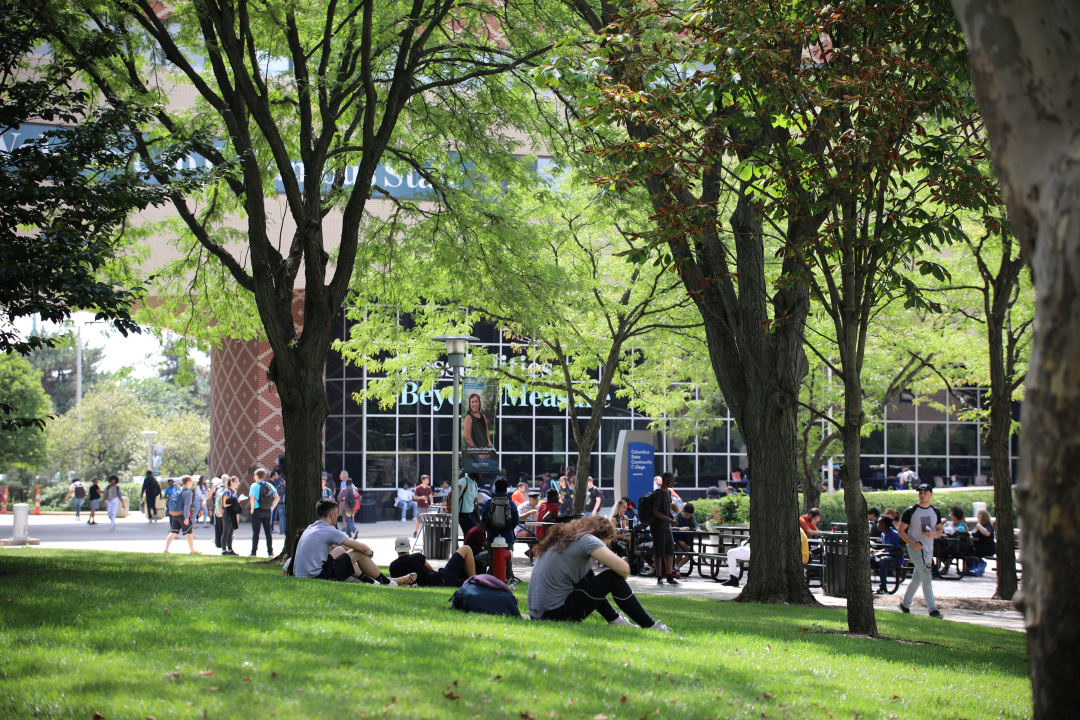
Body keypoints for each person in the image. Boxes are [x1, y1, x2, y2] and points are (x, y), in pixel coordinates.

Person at [526, 516, 671, 631]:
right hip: (554, 614)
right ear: (602, 535)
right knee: (612, 577)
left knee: (589, 576)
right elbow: (624, 569)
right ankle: (650, 625)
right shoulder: (588, 540)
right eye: (607, 544)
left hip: (540, 615)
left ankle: (616, 621)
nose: (607, 547)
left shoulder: (569, 538)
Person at [287, 500, 414, 585]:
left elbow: (338, 547)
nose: (338, 516)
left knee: (341, 550)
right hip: (316, 578)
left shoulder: (311, 527)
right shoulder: (329, 530)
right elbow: (362, 548)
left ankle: (371, 582)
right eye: (337, 513)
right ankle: (387, 583)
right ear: (331, 514)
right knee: (358, 553)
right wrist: (369, 553)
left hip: (302, 576)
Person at [897, 483, 944, 618]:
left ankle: (905, 604)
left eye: (925, 492)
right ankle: (932, 609)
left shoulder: (935, 511)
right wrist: (913, 544)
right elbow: (901, 531)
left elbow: (940, 530)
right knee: (926, 577)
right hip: (916, 549)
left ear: (931, 494)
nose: (922, 495)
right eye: (920, 493)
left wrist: (933, 534)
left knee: (918, 577)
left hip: (929, 549)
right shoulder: (910, 511)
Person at [390, 535, 477, 587]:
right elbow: (431, 570)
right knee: (466, 548)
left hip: (441, 582)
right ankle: (474, 581)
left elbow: (398, 582)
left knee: (463, 582)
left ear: (395, 549)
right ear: (409, 547)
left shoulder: (393, 566)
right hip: (442, 578)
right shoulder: (417, 556)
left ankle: (473, 583)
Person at [480, 478, 520, 580]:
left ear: (495, 489)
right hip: (507, 535)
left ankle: (492, 577)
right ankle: (508, 576)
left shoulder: (489, 503)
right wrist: (509, 529)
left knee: (492, 557)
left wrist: (491, 528)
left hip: (492, 535)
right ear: (506, 490)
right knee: (508, 557)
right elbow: (516, 520)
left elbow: (484, 519)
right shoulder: (511, 504)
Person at [649, 472, 679, 586]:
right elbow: (655, 511)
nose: (673, 483)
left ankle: (670, 576)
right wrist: (670, 520)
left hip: (667, 528)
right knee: (659, 552)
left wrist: (673, 518)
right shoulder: (658, 494)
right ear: (666, 479)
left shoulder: (668, 494)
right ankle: (659, 576)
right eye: (672, 480)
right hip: (658, 528)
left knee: (670, 551)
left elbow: (668, 511)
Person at [164, 475, 202, 554]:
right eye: (191, 482)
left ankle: (166, 549)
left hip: (175, 514)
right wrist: (186, 517)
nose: (192, 483)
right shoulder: (188, 492)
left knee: (173, 532)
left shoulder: (178, 490)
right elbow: (187, 505)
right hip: (182, 515)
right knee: (189, 532)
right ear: (188, 482)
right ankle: (192, 550)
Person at [249, 467, 279, 557]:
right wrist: (272, 508)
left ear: (257, 476)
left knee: (256, 532)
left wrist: (252, 509)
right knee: (268, 532)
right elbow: (277, 497)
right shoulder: (269, 485)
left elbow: (252, 498)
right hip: (267, 511)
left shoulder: (254, 486)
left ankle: (254, 552)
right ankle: (270, 552)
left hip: (257, 510)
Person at [870, 515, 904, 594]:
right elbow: (887, 548)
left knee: (883, 560)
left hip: (896, 559)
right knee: (870, 559)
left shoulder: (895, 535)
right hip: (887, 556)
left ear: (883, 525)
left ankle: (883, 587)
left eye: (878, 523)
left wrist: (883, 554)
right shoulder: (883, 534)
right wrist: (877, 551)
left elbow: (900, 552)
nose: (877, 525)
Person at [463, 393, 492, 461]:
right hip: (474, 454)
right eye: (472, 402)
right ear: (470, 404)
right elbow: (467, 438)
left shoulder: (483, 417)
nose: (474, 404)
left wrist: (488, 449)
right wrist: (478, 453)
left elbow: (487, 434)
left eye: (476, 401)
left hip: (485, 453)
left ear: (479, 402)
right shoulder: (468, 417)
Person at [673, 502, 698, 573]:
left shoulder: (691, 517)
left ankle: (676, 568)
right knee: (682, 544)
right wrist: (680, 529)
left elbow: (695, 525)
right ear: (683, 511)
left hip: (685, 542)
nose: (688, 517)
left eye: (690, 515)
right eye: (687, 515)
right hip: (675, 541)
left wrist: (697, 529)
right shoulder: (676, 517)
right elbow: (671, 528)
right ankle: (676, 570)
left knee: (691, 553)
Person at [220, 476, 241, 555]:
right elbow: (225, 504)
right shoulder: (227, 492)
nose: (238, 484)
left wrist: (236, 516)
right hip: (227, 514)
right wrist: (235, 501)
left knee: (231, 533)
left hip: (233, 513)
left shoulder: (234, 491)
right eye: (236, 482)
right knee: (226, 532)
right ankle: (223, 550)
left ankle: (230, 549)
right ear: (231, 482)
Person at [337, 472, 360, 538]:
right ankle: (349, 534)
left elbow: (339, 498)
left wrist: (343, 499)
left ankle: (354, 530)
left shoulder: (344, 489)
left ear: (346, 483)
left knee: (348, 520)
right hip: (354, 507)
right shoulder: (355, 489)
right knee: (350, 519)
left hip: (347, 507)